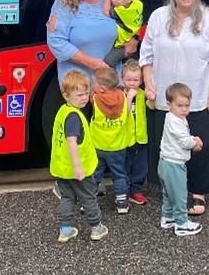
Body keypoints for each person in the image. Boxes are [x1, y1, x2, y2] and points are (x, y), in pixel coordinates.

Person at [140, 0, 209, 217]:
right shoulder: (158, 17)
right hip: (165, 96)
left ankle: (198, 193)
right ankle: (171, 191)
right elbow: (146, 55)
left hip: (199, 95)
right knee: (167, 145)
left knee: (200, 145)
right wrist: (149, 84)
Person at [47, 0, 136, 86]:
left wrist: (134, 39)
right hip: (78, 85)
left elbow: (133, 13)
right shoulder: (65, 0)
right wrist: (91, 63)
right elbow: (55, 40)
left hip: (110, 82)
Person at [50, 70, 109, 242]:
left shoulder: (63, 111)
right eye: (79, 94)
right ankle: (96, 228)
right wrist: (78, 166)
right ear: (66, 95)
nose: (84, 98)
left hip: (62, 168)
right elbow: (71, 141)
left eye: (86, 93)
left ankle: (65, 229)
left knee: (67, 198)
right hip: (78, 169)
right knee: (88, 198)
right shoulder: (74, 117)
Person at [157, 83, 203, 237]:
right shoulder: (176, 121)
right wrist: (195, 143)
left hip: (165, 162)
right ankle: (182, 223)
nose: (184, 109)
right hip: (174, 164)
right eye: (179, 106)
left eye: (187, 105)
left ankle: (168, 217)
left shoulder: (171, 117)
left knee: (168, 193)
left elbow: (182, 138)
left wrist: (191, 139)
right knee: (179, 194)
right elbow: (184, 141)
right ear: (169, 104)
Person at [90, 67, 130, 214]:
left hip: (98, 145)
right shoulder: (123, 97)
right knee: (119, 174)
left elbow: (92, 96)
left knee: (95, 175)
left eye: (94, 83)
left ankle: (89, 202)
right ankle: (121, 203)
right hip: (118, 146)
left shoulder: (95, 99)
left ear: (101, 88)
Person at [121, 59, 149, 206]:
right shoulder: (119, 96)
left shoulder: (143, 94)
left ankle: (136, 190)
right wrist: (129, 97)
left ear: (141, 80)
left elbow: (151, 105)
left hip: (141, 138)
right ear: (122, 79)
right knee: (125, 166)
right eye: (128, 80)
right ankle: (123, 192)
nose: (132, 83)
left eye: (135, 80)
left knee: (140, 166)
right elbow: (121, 114)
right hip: (126, 139)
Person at [103, 0, 144, 66]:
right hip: (132, 36)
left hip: (123, 44)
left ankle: (113, 78)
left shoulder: (122, 11)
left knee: (108, 62)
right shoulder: (137, 4)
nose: (113, 1)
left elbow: (106, 11)